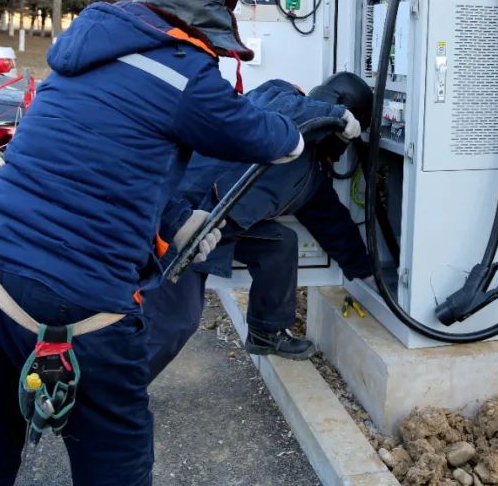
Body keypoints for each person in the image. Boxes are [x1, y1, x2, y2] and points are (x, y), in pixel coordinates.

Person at [0, 0, 306, 486]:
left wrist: (177, 220)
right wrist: (304, 127)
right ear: (203, 16)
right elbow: (264, 136)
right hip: (77, 304)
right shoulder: (185, 75)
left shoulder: (83, 54)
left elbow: (105, 165)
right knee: (116, 468)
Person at [146, 72, 375, 380]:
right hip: (181, 220)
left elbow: (333, 224)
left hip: (221, 230)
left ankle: (265, 332)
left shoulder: (311, 175)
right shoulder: (279, 93)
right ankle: (114, 398)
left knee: (280, 244)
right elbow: (274, 112)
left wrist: (367, 273)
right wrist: (333, 116)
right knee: (176, 321)